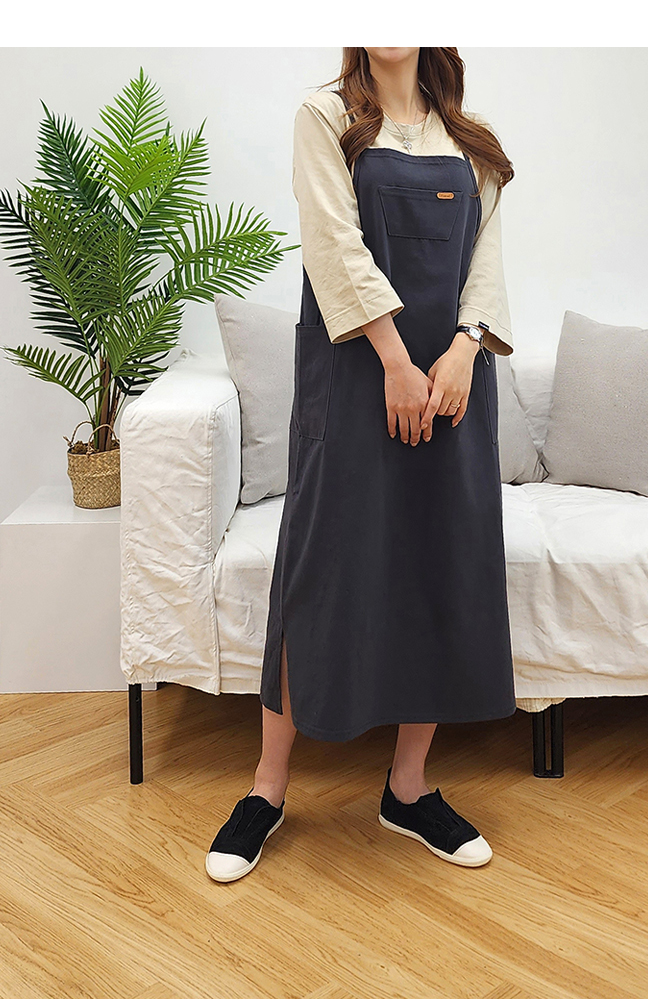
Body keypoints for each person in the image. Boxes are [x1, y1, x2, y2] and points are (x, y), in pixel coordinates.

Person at [205, 47, 517, 882]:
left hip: (451, 386)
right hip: (356, 378)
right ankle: (267, 790)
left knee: (436, 567)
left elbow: (487, 265)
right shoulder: (326, 119)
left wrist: (463, 351)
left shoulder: (471, 142)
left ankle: (408, 789)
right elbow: (332, 246)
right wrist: (395, 361)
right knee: (319, 570)